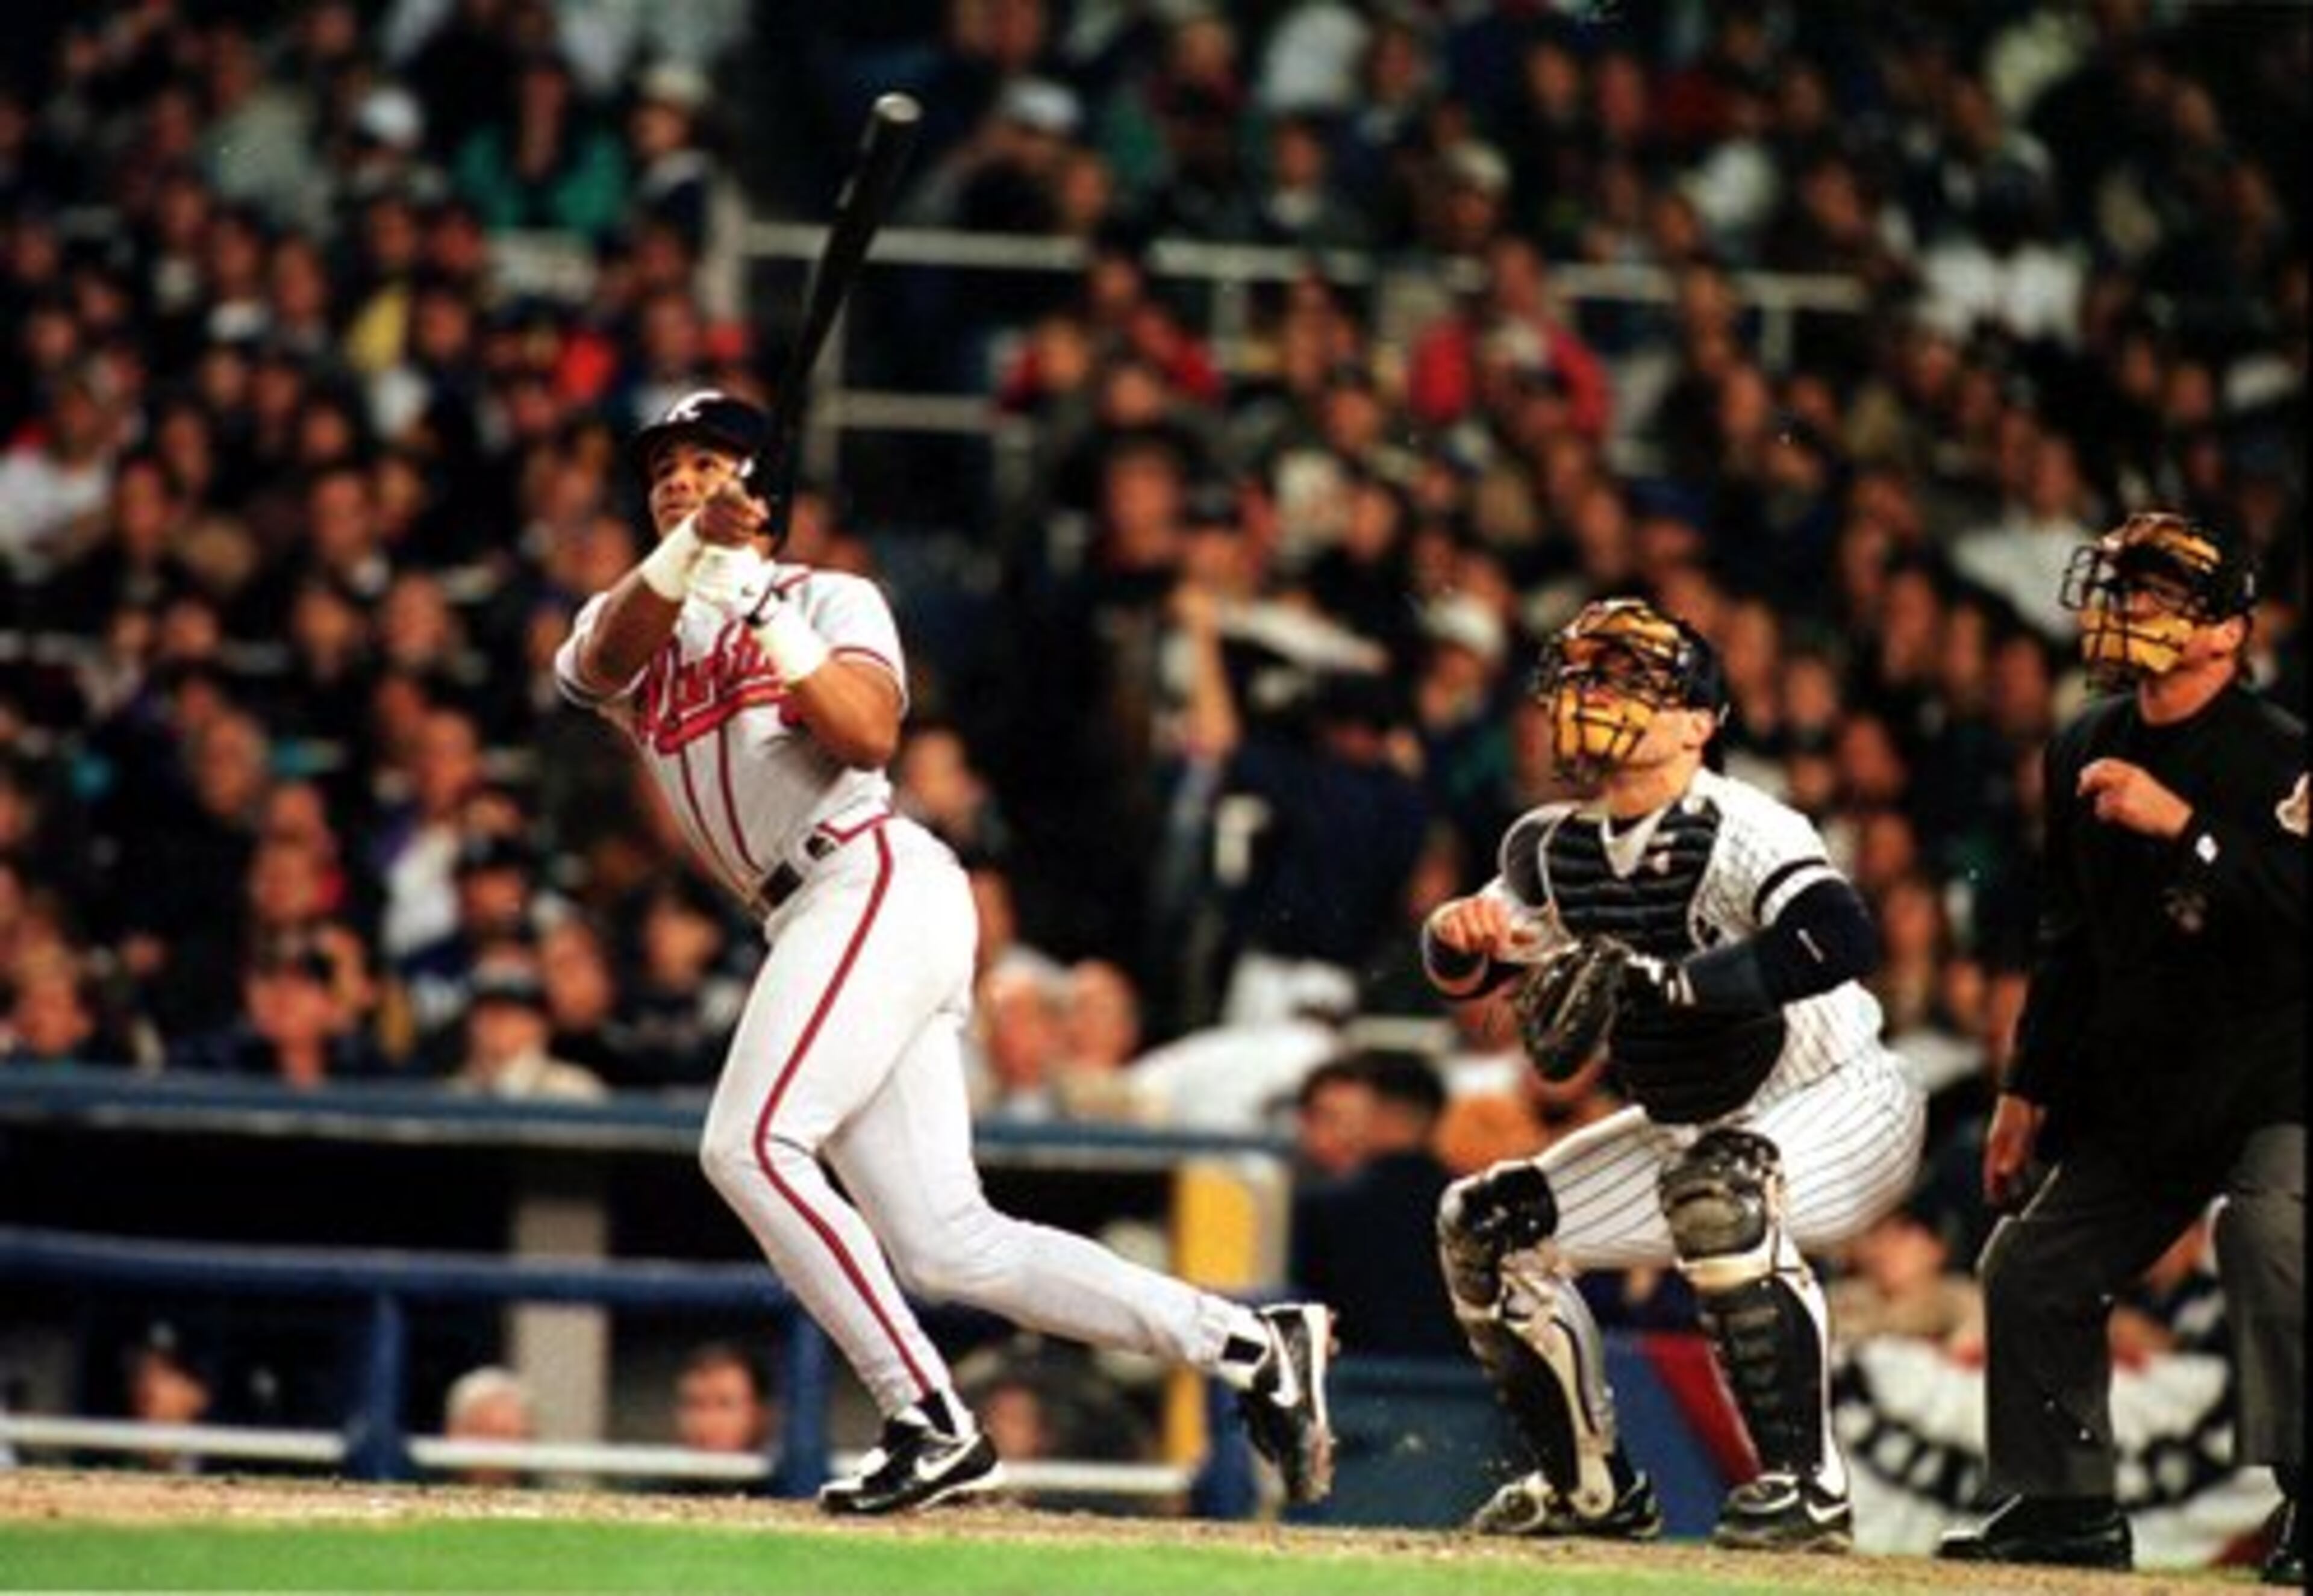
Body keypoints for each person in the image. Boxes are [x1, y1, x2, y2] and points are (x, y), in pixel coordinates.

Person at [552, 390, 1335, 1516]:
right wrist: (693, 561)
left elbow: (869, 732)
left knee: (749, 1144)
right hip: (811, 911)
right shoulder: (638, 623)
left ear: (762, 493)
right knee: (950, 1243)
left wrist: (770, 614)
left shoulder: (828, 595)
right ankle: (1254, 1343)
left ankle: (927, 1416)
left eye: (706, 460)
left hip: (869, 877)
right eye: (664, 465)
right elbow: (587, 672)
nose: (678, 477)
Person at [1420, 596, 1925, 1551]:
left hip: (1836, 1094)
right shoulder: (1554, 845)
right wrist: (1455, 934)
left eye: (1626, 682)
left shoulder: (1744, 824)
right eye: (1588, 677)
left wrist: (1674, 983)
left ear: (1699, 721)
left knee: (1722, 1191)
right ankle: (1591, 1486)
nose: (1594, 696)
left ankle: (1807, 1485)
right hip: (1694, 1125)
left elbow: (1838, 933)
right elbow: (1469, 969)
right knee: (1484, 1228)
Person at [1937, 511, 2304, 1583]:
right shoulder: (2082, 743)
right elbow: (2069, 941)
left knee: (2270, 1238)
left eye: (2157, 595)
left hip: (2281, 1074)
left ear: (2228, 633)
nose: (2127, 608)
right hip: (2153, 1084)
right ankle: (2065, 1508)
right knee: (2032, 1268)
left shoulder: (2283, 755)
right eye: (2124, 587)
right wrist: (2023, 1090)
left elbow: (2299, 908)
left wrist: (2185, 825)